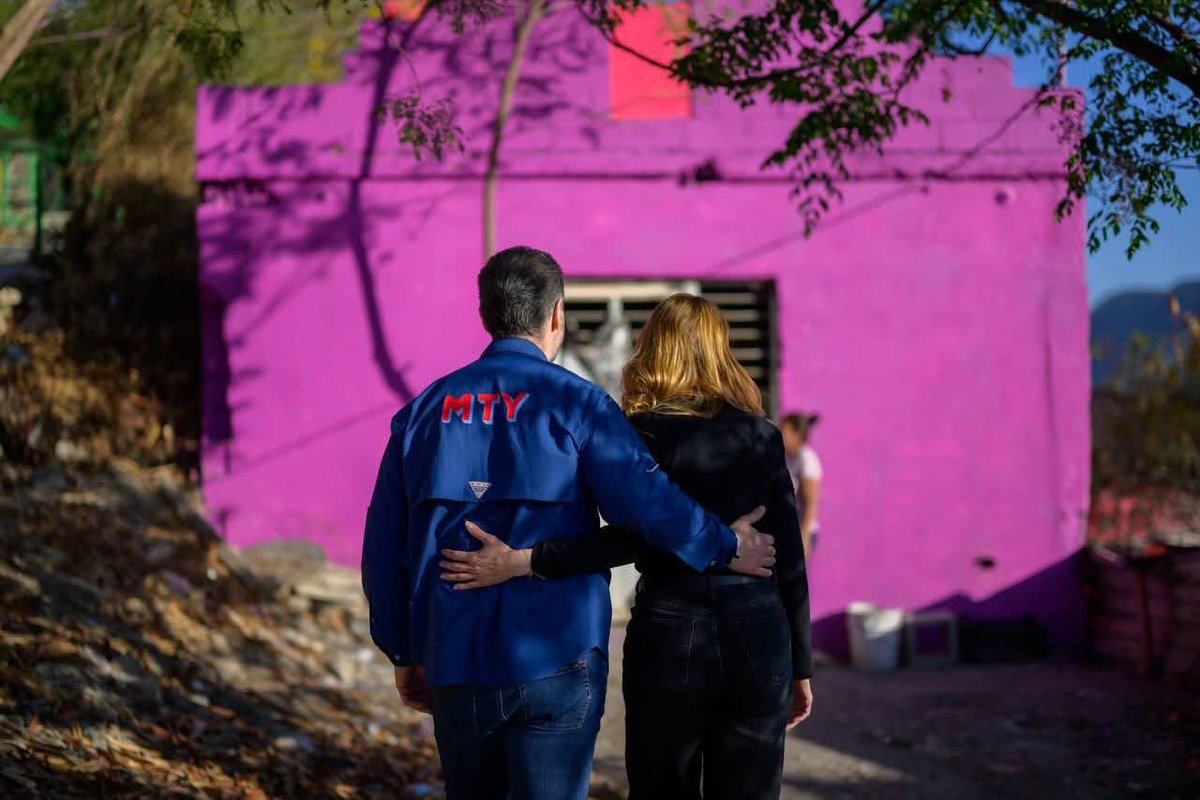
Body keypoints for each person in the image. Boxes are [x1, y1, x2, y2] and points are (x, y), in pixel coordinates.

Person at [361, 247, 776, 800]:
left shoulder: (423, 413)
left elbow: (384, 547)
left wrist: (402, 650)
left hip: (455, 655)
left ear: (486, 314)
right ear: (556, 314)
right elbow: (648, 502)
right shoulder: (579, 404)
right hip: (559, 659)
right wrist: (724, 543)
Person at [441, 293, 814, 800]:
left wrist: (527, 561)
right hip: (759, 625)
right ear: (721, 351)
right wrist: (802, 665)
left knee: (662, 785)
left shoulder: (639, 434)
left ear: (652, 349)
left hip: (672, 623)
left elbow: (627, 537)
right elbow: (789, 558)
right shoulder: (762, 437)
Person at [781, 411, 822, 556]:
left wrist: (804, 538)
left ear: (796, 433)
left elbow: (810, 503)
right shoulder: (784, 457)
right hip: (787, 530)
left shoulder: (806, 459)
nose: (781, 436)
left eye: (784, 431)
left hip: (801, 531)